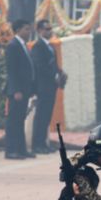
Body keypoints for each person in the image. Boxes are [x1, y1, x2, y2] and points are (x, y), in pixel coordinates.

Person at [31, 19, 67, 154]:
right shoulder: (38, 46)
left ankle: (43, 143)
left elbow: (54, 66)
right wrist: (54, 76)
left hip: (52, 86)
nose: (49, 31)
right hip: (42, 86)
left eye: (50, 28)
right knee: (40, 116)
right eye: (46, 29)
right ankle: (37, 144)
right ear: (39, 31)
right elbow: (40, 67)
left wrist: (60, 73)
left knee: (46, 116)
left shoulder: (51, 47)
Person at [5, 19, 36, 159]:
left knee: (20, 120)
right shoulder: (13, 45)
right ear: (17, 30)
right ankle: (11, 150)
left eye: (29, 29)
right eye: (26, 29)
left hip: (25, 89)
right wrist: (15, 90)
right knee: (13, 120)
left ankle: (21, 149)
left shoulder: (23, 45)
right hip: (17, 91)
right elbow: (12, 70)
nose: (29, 33)